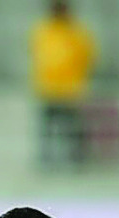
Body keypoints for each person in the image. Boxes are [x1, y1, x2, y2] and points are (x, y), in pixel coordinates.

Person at [30, 0, 96, 168]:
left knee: (74, 129)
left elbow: (88, 57)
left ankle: (78, 160)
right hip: (48, 89)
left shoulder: (77, 32)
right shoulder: (43, 30)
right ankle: (47, 161)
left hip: (71, 90)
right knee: (47, 130)